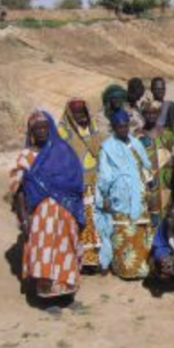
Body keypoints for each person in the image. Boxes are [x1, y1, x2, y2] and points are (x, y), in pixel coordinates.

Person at [9, 110, 84, 300]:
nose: (42, 131)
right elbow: (18, 191)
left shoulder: (63, 151)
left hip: (66, 212)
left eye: (45, 127)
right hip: (41, 216)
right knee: (44, 252)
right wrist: (24, 219)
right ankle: (47, 296)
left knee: (65, 250)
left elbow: (76, 183)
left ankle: (66, 293)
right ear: (31, 132)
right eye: (37, 128)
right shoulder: (26, 156)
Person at [94, 108, 154, 279]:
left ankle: (141, 268)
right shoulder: (107, 148)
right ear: (113, 127)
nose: (123, 129)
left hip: (139, 193)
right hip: (119, 196)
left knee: (140, 230)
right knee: (122, 231)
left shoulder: (136, 143)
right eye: (119, 127)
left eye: (126, 126)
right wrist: (105, 195)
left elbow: (144, 165)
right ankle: (124, 269)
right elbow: (104, 175)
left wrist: (148, 182)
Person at [57, 98, 104, 271]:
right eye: (77, 113)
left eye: (83, 112)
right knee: (80, 223)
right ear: (70, 114)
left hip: (95, 184)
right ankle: (80, 260)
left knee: (96, 223)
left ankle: (95, 260)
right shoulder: (62, 132)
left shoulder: (93, 128)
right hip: (75, 186)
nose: (81, 116)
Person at [136, 99, 174, 226]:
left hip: (166, 186)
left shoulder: (168, 135)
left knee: (167, 220)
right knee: (150, 222)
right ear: (143, 114)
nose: (151, 116)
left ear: (158, 114)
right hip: (147, 187)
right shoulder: (137, 136)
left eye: (154, 113)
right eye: (147, 113)